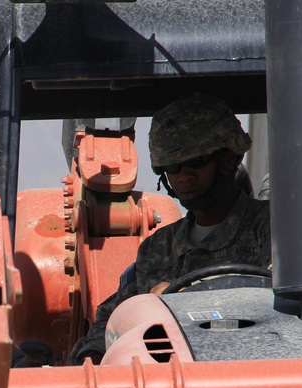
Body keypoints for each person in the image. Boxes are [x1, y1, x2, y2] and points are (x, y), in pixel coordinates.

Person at [69, 92, 271, 364]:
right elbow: (111, 323)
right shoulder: (158, 249)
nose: (183, 176)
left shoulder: (272, 228)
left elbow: (284, 306)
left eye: (197, 162)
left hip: (258, 374)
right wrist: (92, 360)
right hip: (171, 386)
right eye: (173, 167)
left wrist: (184, 298)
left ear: (228, 158)